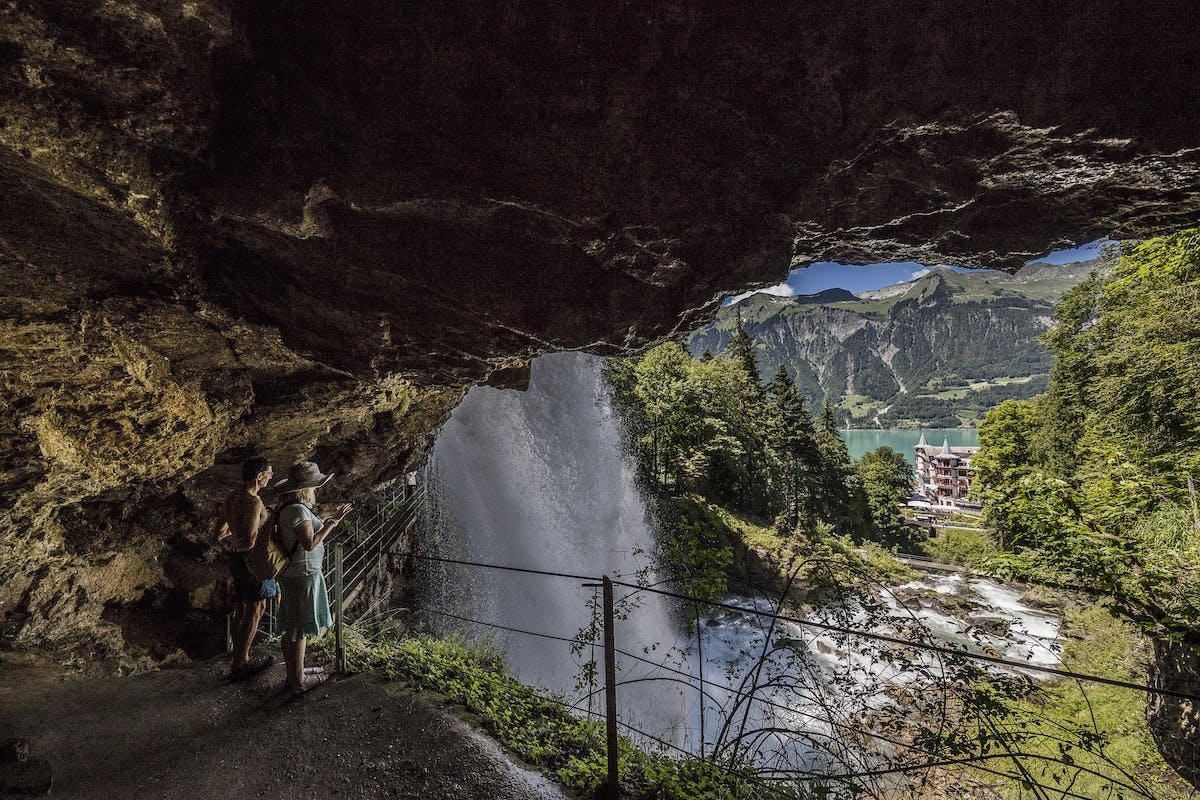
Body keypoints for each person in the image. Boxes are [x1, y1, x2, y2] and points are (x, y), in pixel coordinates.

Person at [273, 460, 352, 697]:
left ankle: (295, 673)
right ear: (305, 488)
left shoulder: (290, 507)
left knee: (293, 625)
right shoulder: (297, 510)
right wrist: (333, 523)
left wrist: (328, 517)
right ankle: (297, 681)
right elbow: (309, 543)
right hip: (302, 573)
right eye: (315, 485)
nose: (317, 489)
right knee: (297, 627)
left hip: (295, 573)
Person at [214, 456, 278, 680]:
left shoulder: (233, 497)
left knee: (241, 608)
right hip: (252, 561)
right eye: (269, 473)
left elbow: (219, 532)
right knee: (256, 608)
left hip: (235, 557)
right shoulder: (254, 502)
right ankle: (241, 663)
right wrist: (267, 521)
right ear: (259, 476)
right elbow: (250, 539)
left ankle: (237, 657)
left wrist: (237, 531)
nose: (271, 477)